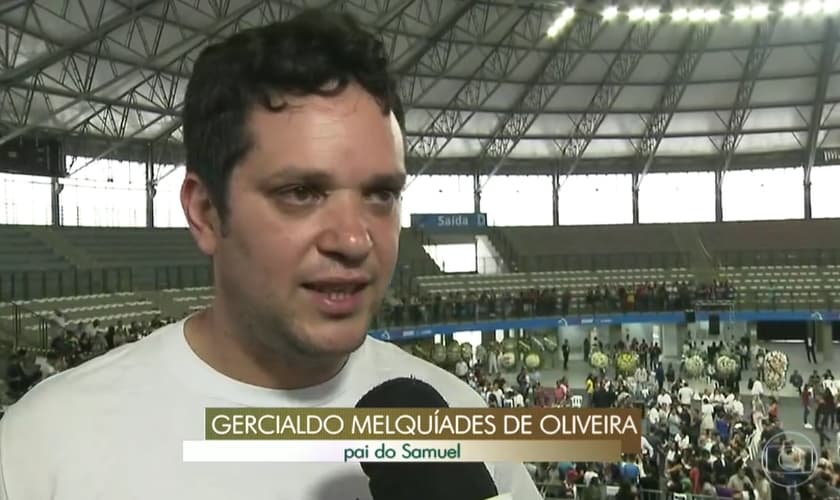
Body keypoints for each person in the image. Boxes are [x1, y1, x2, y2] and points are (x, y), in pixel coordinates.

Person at [0, 10, 540, 500]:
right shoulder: (44, 448)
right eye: (301, 193)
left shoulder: (459, 417)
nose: (354, 240)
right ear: (207, 212)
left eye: (381, 194)